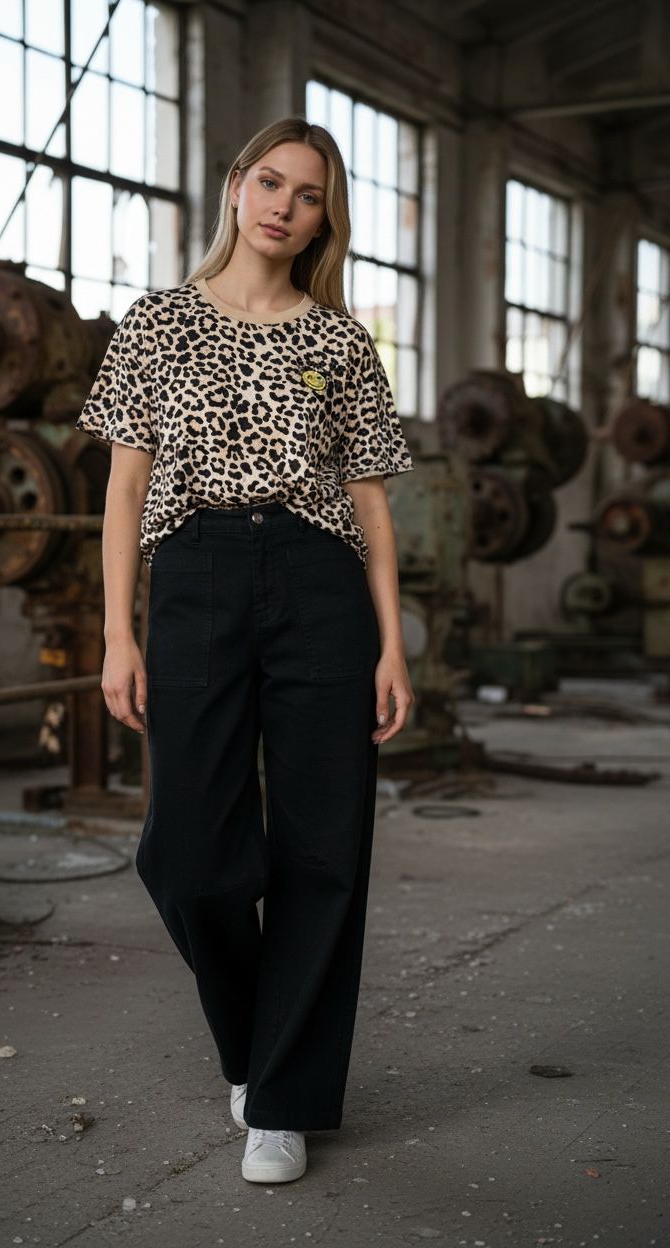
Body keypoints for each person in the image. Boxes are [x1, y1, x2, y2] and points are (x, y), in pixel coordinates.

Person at [75, 115, 415, 1184]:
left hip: (319, 583)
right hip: (194, 576)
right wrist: (117, 633)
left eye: (305, 194)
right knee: (185, 853)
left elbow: (369, 503)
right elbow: (124, 490)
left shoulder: (339, 340)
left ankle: (283, 1100)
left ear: (323, 217)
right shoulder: (159, 322)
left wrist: (391, 647)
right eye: (268, 181)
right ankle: (252, 1046)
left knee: (323, 847)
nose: (281, 204)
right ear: (233, 187)